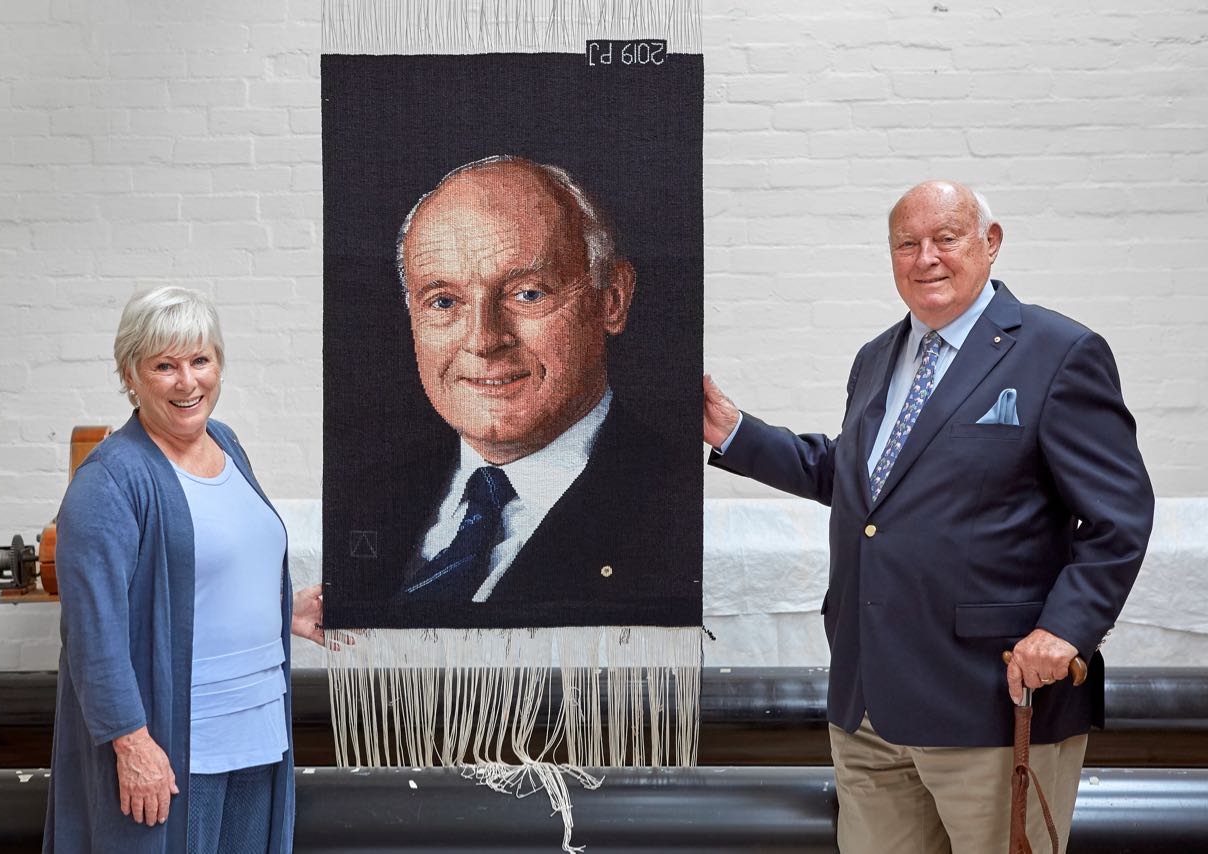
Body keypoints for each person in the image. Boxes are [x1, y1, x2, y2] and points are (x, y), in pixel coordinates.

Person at [703, 180, 1154, 853]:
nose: (926, 258)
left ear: (990, 243)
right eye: (907, 244)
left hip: (992, 703)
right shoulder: (878, 357)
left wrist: (1066, 629)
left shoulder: (1059, 353)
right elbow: (861, 484)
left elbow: (1119, 514)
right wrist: (735, 433)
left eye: (946, 238)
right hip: (869, 703)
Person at [337, 155, 700, 629]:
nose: (484, 340)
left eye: (528, 293)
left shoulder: (680, 511)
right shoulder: (362, 500)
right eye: (444, 301)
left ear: (612, 298)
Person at [43, 286, 325, 853]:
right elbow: (91, 634)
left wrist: (283, 611)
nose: (188, 382)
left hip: (258, 729)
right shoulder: (110, 482)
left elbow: (220, 563)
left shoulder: (227, 443)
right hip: (176, 749)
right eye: (164, 366)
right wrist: (133, 745)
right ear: (131, 374)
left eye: (200, 360)